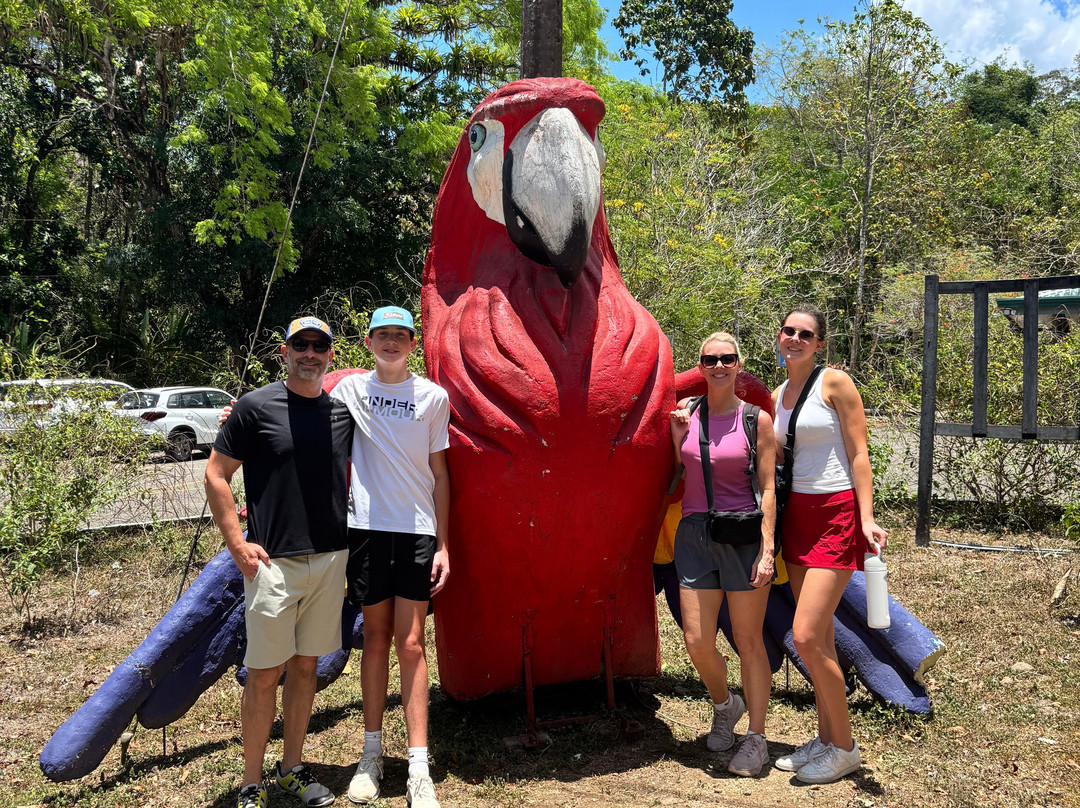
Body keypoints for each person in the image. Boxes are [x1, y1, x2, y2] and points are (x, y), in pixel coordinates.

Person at [204, 316, 353, 808]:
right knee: (265, 672)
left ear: (330, 355)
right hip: (272, 565)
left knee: (306, 668)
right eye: (300, 344)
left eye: (319, 346)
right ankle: (251, 782)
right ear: (284, 352)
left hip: (330, 559)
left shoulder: (341, 412)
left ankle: (291, 769)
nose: (309, 352)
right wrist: (235, 544)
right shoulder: (254, 407)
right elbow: (216, 474)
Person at [330, 306, 450, 808]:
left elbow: (441, 474)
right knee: (375, 641)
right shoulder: (349, 391)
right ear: (368, 342)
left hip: (417, 531)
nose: (392, 343)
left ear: (412, 343)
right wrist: (240, 412)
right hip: (367, 532)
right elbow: (299, 407)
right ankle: (372, 756)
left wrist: (444, 542)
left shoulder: (432, 397)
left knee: (413, 644)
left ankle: (419, 766)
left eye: (401, 336)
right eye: (383, 335)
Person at [770, 305, 888, 784]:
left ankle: (844, 748)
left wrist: (866, 516)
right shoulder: (777, 395)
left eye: (806, 333)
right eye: (788, 330)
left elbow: (859, 453)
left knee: (804, 635)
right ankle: (825, 737)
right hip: (797, 515)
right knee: (818, 640)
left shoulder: (834, 383)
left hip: (836, 514)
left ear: (819, 343)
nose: (794, 338)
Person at [669, 332, 778, 777]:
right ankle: (724, 705)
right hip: (694, 533)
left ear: (739, 364)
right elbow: (685, 469)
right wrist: (678, 436)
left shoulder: (756, 420)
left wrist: (768, 549)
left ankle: (756, 737)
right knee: (696, 640)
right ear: (699, 365)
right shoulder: (688, 416)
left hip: (744, 534)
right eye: (709, 359)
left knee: (749, 642)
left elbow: (769, 487)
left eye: (727, 359)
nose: (718, 366)